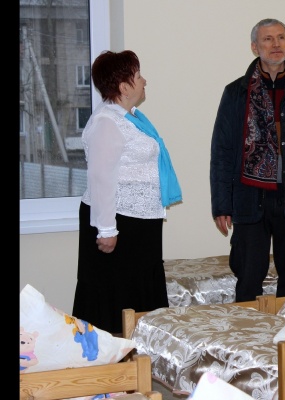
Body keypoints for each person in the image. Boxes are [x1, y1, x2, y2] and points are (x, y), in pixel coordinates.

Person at [210, 18, 285, 302]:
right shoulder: (236, 92)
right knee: (248, 277)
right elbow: (222, 152)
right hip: (249, 198)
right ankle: (247, 330)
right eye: (268, 39)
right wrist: (222, 204)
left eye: (281, 38)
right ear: (255, 47)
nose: (276, 44)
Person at [72, 50, 182, 334]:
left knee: (139, 296)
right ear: (124, 87)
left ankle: (139, 354)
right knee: (113, 300)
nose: (144, 81)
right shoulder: (107, 122)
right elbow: (101, 177)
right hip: (118, 223)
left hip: (139, 222)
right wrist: (107, 230)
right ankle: (111, 358)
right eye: (138, 76)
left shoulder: (130, 118)